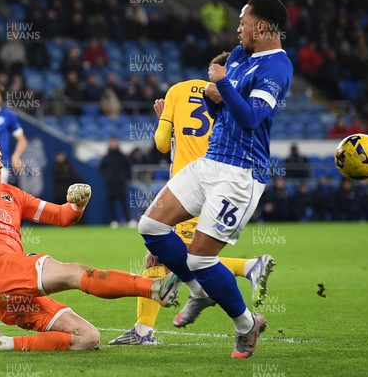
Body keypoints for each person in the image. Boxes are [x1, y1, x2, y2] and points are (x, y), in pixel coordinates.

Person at [0, 135, 180, 352]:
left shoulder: (11, 193)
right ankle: (154, 288)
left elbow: (60, 216)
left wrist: (76, 205)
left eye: (0, 158)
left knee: (87, 337)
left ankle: (1, 344)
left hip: (10, 294)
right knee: (73, 272)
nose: (0, 164)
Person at [136, 0, 293, 358]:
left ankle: (246, 325)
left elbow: (251, 118)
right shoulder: (238, 56)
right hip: (210, 161)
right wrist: (211, 95)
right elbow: (219, 109)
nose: (238, 28)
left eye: (244, 21)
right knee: (151, 227)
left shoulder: (278, 68)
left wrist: (220, 86)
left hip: (240, 173)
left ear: (263, 27)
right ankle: (200, 290)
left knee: (200, 259)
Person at [110, 53, 275, 346]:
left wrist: (164, 118)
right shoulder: (235, 98)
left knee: (180, 256)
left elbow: (161, 144)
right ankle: (247, 269)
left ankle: (145, 330)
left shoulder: (178, 90)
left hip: (188, 187)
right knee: (178, 255)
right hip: (218, 184)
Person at [98, 137, 136, 228]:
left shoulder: (122, 156)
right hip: (110, 184)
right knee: (111, 204)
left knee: (124, 203)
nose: (114, 144)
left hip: (120, 184)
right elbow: (101, 169)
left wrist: (123, 176)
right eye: (112, 142)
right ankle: (114, 221)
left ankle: (129, 220)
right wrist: (107, 176)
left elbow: (128, 168)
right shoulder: (106, 157)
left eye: (115, 142)